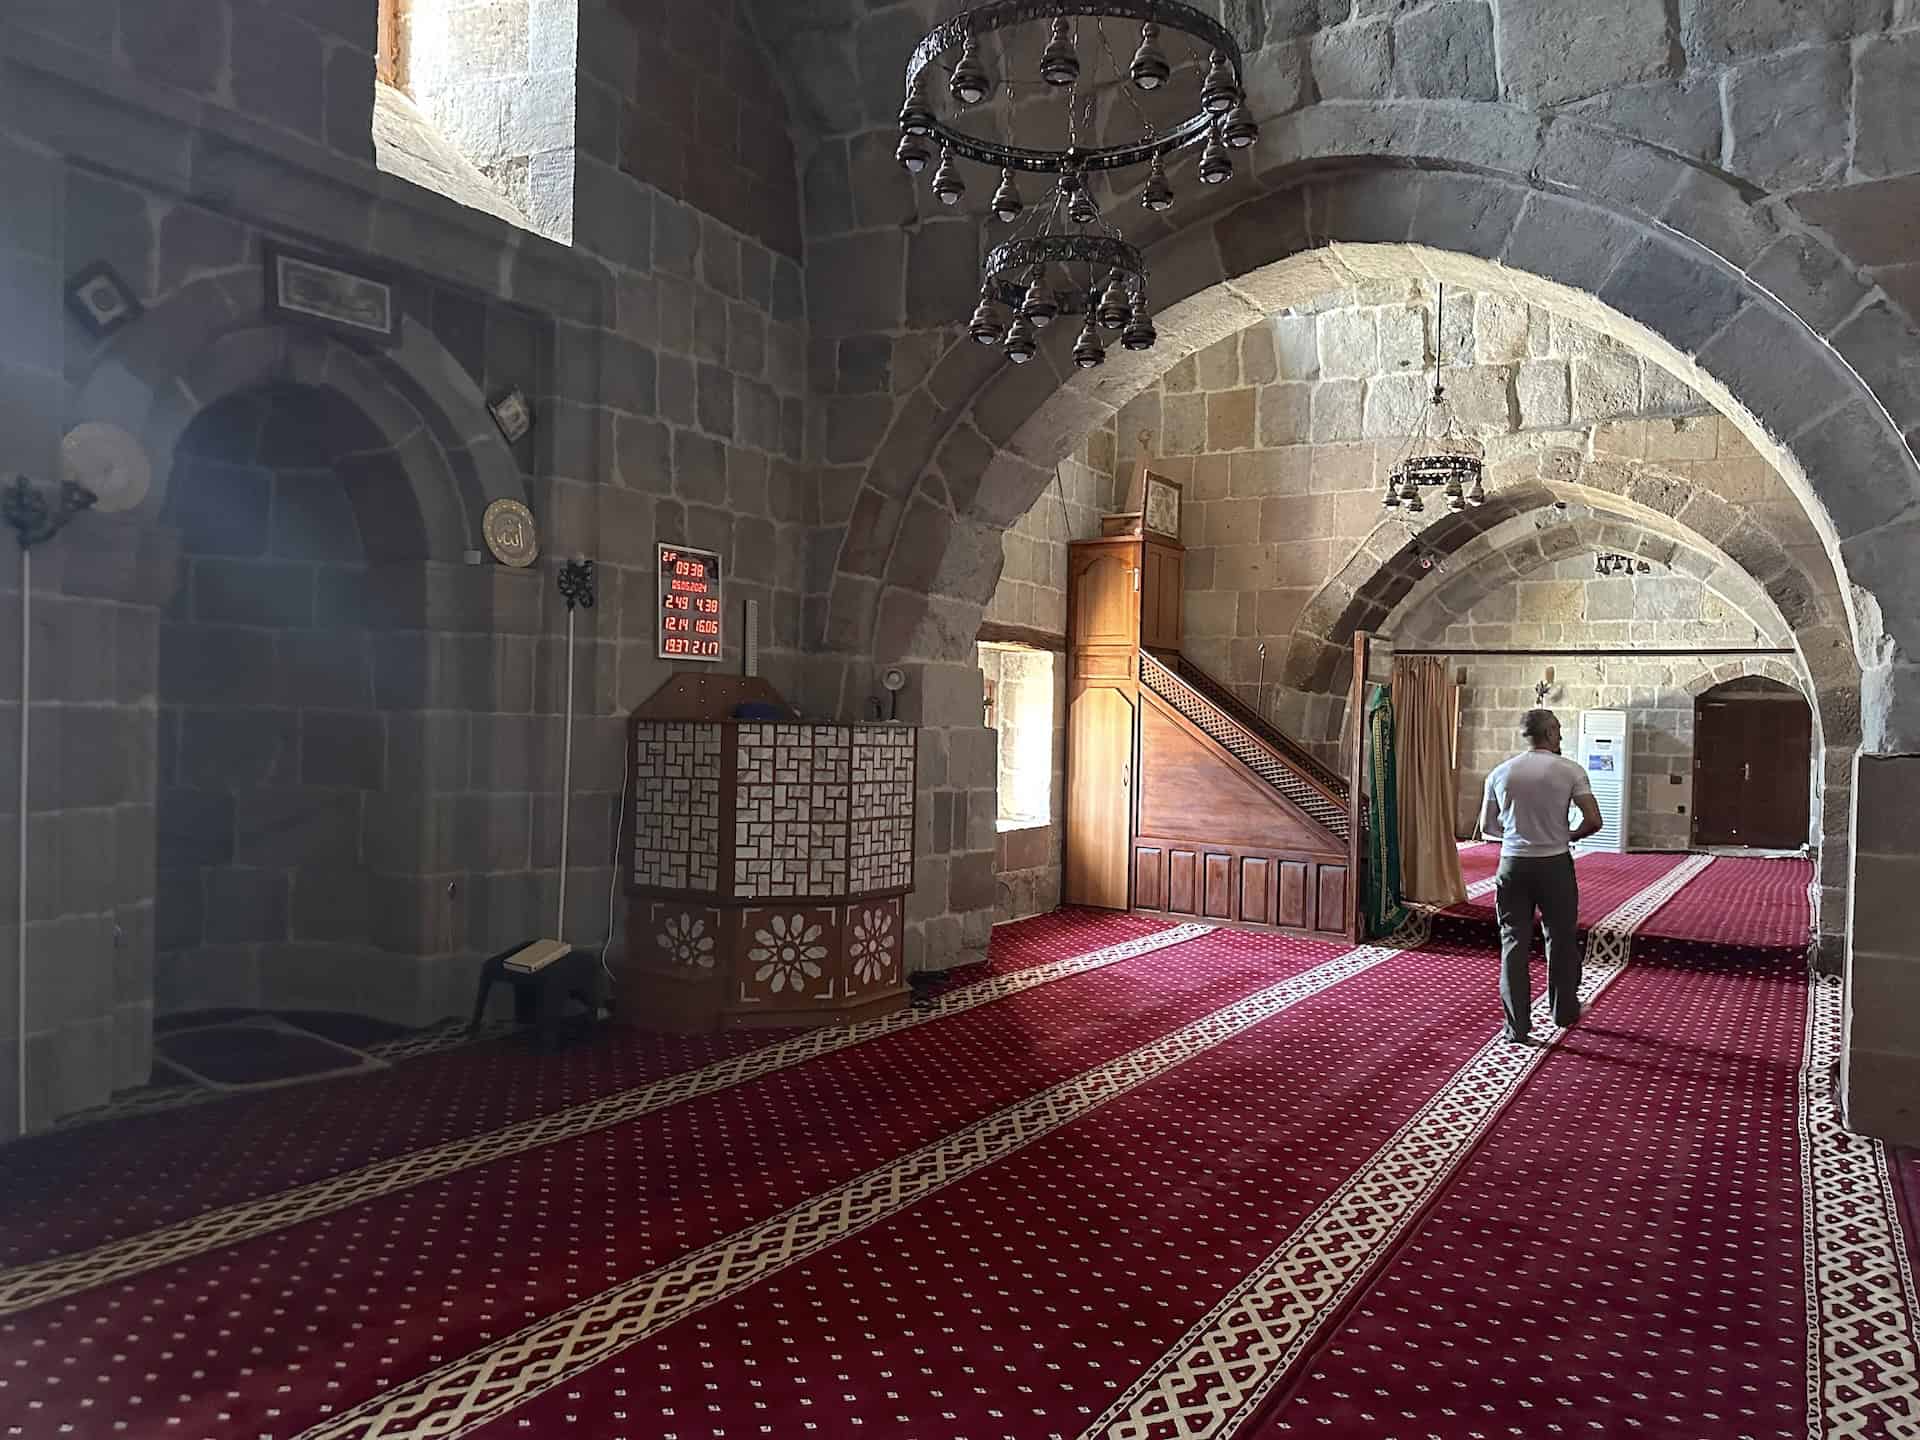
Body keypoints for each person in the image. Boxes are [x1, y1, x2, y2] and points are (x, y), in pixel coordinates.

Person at [1479, 709, 1605, 1044]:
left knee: (1513, 943)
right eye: (1559, 731)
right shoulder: (1569, 770)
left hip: (1512, 866)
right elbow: (1594, 820)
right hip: (1553, 865)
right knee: (1561, 939)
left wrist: (1516, 835)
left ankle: (1516, 1027)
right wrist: (1568, 836)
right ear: (1549, 733)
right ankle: (1564, 1011)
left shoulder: (1501, 772)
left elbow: (1487, 828)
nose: (1561, 737)